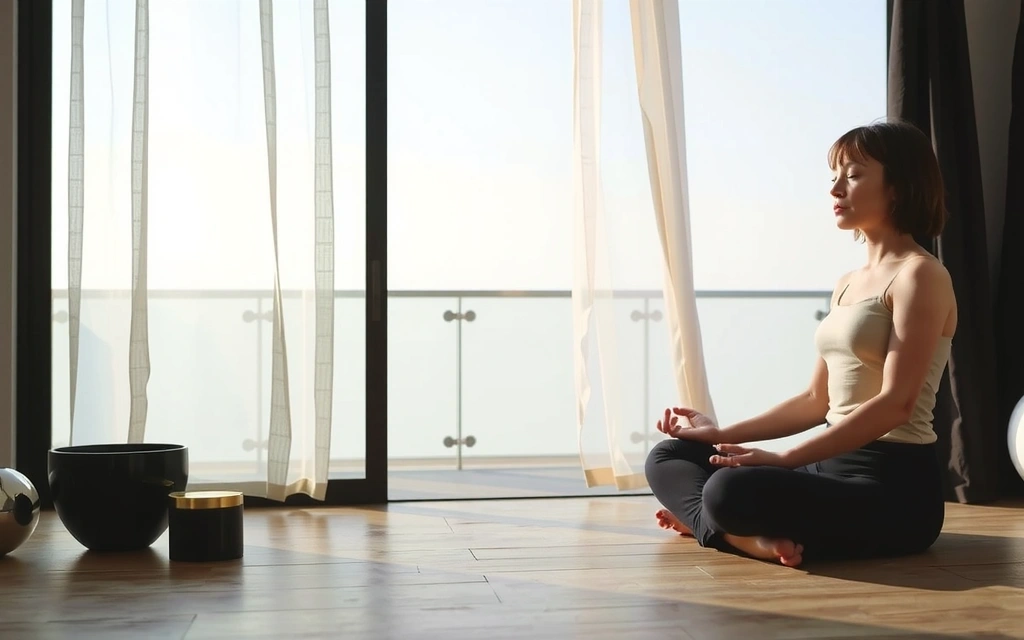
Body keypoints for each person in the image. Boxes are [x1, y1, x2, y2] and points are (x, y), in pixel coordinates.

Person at [645, 119, 956, 568]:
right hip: (827, 466)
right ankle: (737, 536)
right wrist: (720, 433)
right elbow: (816, 399)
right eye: (834, 177)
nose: (835, 190)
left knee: (727, 491)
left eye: (853, 175)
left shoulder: (921, 275)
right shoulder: (847, 284)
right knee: (671, 454)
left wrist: (784, 460)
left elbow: (896, 404)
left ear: (898, 187)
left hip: (892, 489)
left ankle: (711, 525)